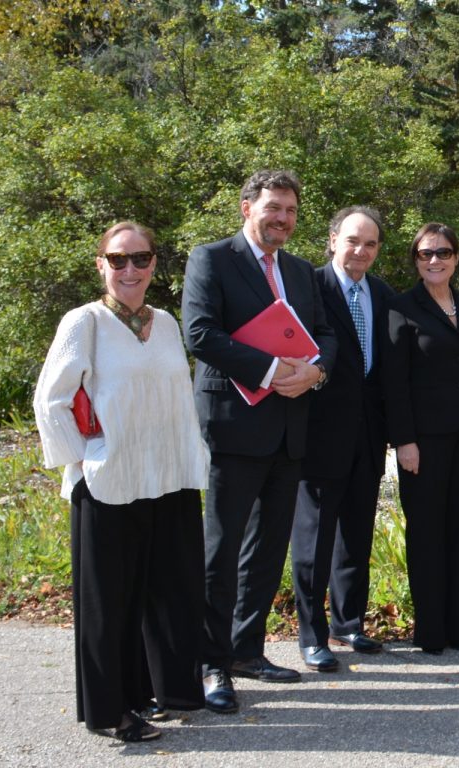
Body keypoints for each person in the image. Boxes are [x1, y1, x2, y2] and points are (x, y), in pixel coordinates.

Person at [34, 222, 209, 742]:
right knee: (109, 604)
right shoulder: (83, 322)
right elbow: (52, 401)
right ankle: (111, 711)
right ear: (101, 264)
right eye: (118, 259)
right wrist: (87, 459)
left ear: (155, 264)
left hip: (169, 478)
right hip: (110, 483)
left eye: (140, 258)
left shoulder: (168, 323)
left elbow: (177, 397)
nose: (129, 269)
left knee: (165, 594)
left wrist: (189, 455)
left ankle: (155, 692)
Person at [182, 170, 337, 713]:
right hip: (233, 425)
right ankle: (211, 663)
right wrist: (273, 370)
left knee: (267, 548)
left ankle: (248, 650)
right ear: (247, 207)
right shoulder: (211, 258)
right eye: (273, 208)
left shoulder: (299, 271)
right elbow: (200, 334)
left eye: (291, 211)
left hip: (291, 427)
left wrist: (314, 373)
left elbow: (326, 335)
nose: (283, 219)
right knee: (222, 551)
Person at [384, 223, 459, 654]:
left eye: (444, 252)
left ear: (456, 257)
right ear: (415, 259)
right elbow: (393, 383)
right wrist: (404, 441)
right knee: (426, 532)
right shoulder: (401, 308)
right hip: (423, 441)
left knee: (456, 529)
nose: (435, 260)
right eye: (425, 253)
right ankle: (430, 631)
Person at [290, 206, 395, 671]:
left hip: (369, 434)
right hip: (320, 432)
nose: (361, 250)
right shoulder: (309, 286)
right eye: (353, 240)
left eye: (370, 243)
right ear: (333, 240)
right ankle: (312, 634)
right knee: (314, 538)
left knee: (356, 533)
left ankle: (349, 622)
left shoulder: (384, 294)